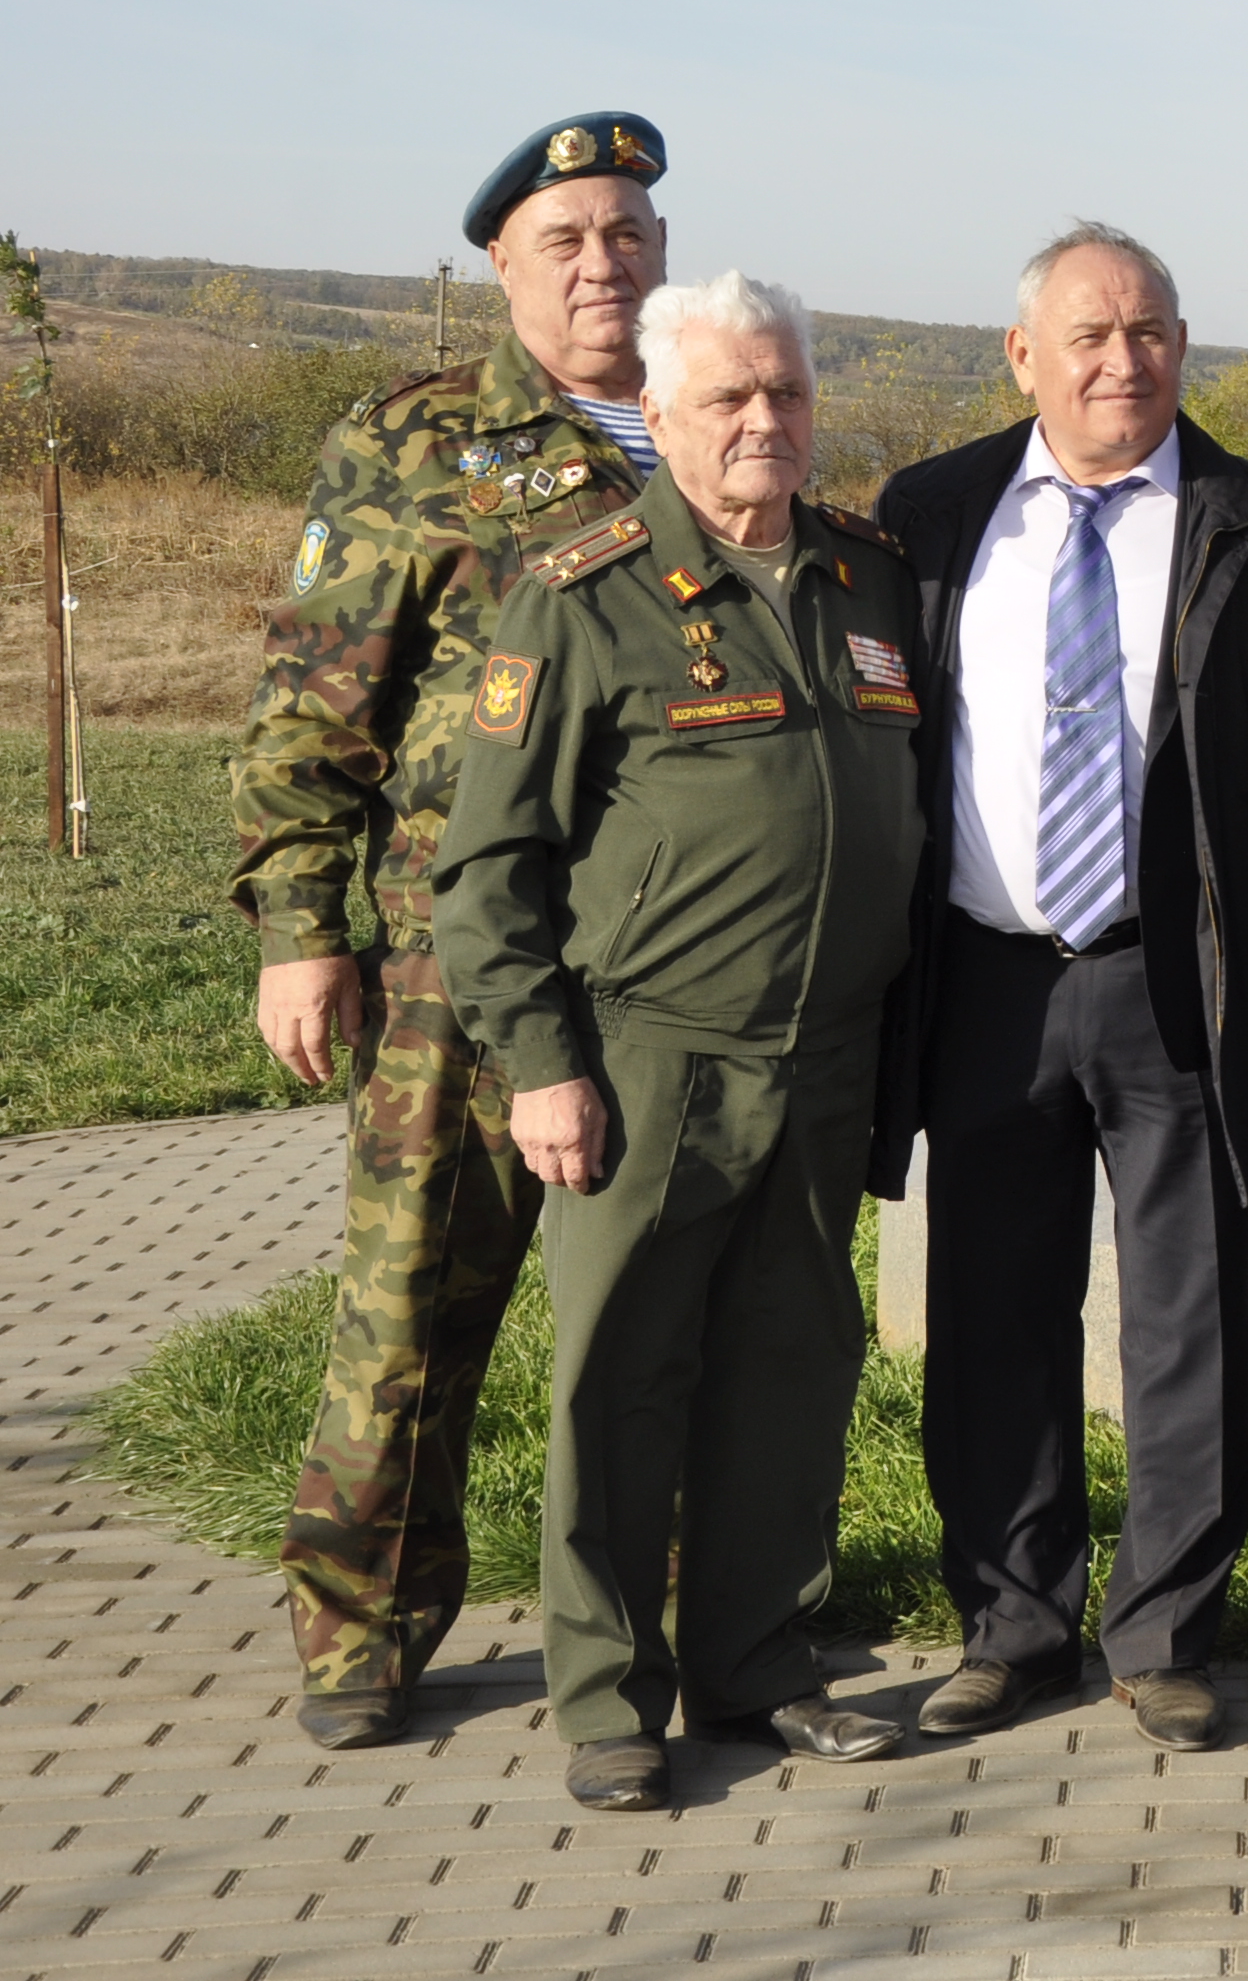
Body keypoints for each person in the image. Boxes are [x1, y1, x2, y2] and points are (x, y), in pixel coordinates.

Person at [433, 273, 928, 1812]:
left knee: (790, 1369)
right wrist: (541, 1067)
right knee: (620, 1382)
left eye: (783, 391)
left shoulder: (867, 579)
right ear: (660, 418)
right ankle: (604, 1698)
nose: (764, 421)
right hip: (652, 1062)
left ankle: (757, 1663)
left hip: (825, 1062)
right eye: (728, 399)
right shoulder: (582, 599)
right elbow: (489, 867)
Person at [873, 225, 1248, 1752]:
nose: (1119, 361)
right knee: (995, 1314)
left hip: (1181, 988)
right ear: (1023, 356)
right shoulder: (931, 517)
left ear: (1182, 345)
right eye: (1086, 335)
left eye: (1147, 332)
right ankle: (1012, 1625)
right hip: (992, 980)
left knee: (1189, 1321)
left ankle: (1165, 1631)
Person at [232, 111, 671, 1748]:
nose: (600, 263)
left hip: (658, 946)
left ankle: (655, 1599)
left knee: (653, 1303)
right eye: (563, 238)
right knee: (412, 1299)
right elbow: (312, 701)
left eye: (624, 232)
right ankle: (360, 1624)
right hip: (447, 954)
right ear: (503, 263)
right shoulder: (420, 441)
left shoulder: (706, 419)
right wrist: (301, 918)